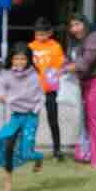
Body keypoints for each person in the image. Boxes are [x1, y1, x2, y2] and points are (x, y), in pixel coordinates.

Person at [0, 42, 45, 191]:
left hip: (31, 117)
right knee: (7, 145)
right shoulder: (7, 74)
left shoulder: (34, 76)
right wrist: (0, 95)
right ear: (11, 60)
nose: (19, 62)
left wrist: (34, 109)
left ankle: (39, 157)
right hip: (16, 117)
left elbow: (38, 97)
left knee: (27, 153)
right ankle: (7, 186)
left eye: (23, 59)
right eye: (16, 59)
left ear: (28, 60)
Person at [64, 12, 96, 168]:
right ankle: (88, 154)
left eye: (78, 24)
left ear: (85, 24)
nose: (75, 28)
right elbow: (70, 60)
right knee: (87, 121)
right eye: (72, 25)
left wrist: (63, 69)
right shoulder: (75, 42)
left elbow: (84, 63)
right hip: (85, 82)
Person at [28, 19, 66, 161]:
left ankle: (57, 149)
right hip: (33, 89)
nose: (40, 37)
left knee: (53, 120)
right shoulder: (31, 46)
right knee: (31, 120)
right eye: (37, 34)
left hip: (50, 89)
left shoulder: (56, 46)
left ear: (50, 33)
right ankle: (28, 148)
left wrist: (57, 73)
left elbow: (60, 66)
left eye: (43, 34)